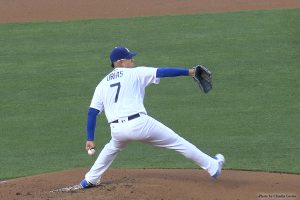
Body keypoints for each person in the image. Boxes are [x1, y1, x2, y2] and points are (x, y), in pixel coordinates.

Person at [79, 46, 225, 188]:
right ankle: (213, 167)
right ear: (121, 62)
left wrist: (90, 138)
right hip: (139, 124)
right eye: (130, 58)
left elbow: (92, 112)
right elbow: (163, 72)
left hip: (117, 130)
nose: (133, 61)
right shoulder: (136, 73)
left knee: (110, 149)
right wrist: (190, 72)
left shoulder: (102, 84)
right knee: (178, 142)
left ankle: (90, 179)